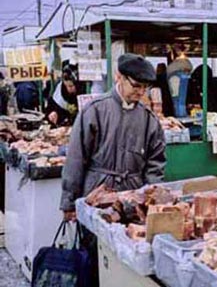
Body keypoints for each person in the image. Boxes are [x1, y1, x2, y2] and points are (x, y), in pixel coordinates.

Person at [60, 53, 166, 286]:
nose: (140, 93)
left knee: (125, 263)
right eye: (136, 86)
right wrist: (69, 203)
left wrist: (149, 199)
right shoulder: (95, 110)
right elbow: (76, 158)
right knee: (94, 256)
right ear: (119, 77)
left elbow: (156, 162)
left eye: (145, 88)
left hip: (132, 197)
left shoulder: (149, 119)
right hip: (96, 193)